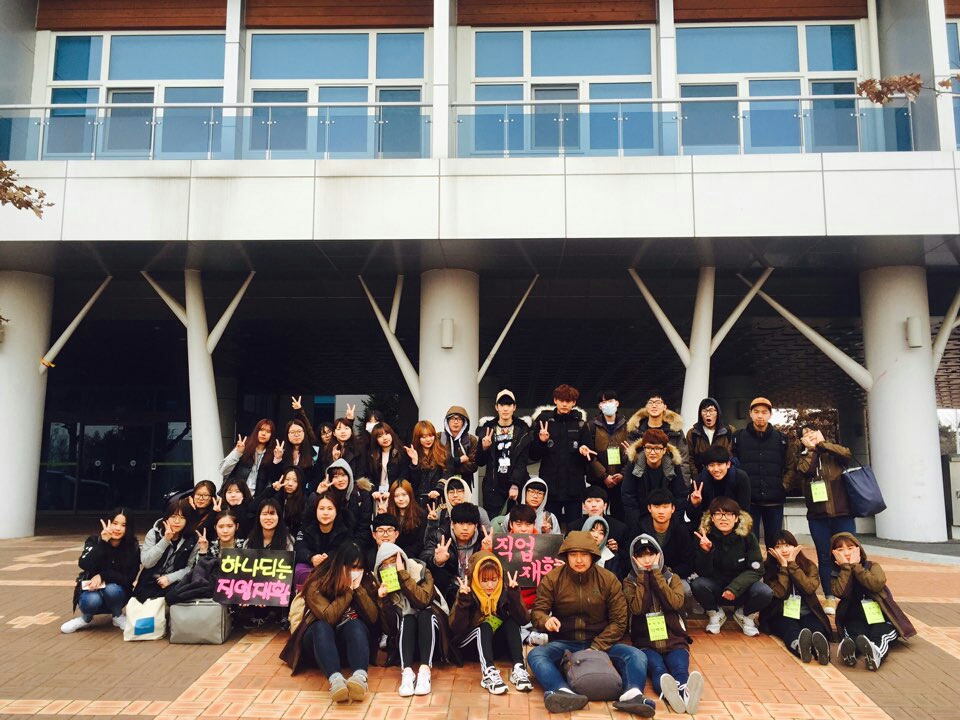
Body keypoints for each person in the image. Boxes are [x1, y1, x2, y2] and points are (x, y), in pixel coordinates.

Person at [528, 531, 653, 716]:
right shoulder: (553, 578)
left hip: (602, 643)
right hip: (565, 643)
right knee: (536, 655)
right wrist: (546, 620)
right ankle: (561, 691)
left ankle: (633, 694)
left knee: (636, 655)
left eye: (584, 554)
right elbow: (538, 612)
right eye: (573, 554)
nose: (579, 560)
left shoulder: (608, 579)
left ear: (593, 556)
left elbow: (619, 621)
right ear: (566, 556)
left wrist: (596, 647)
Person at [281, 542, 378, 703]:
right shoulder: (317, 581)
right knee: (321, 626)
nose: (355, 572)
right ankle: (336, 681)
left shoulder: (365, 580)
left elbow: (373, 618)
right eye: (351, 567)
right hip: (318, 646)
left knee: (355, 625)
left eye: (359, 568)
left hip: (348, 647)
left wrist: (359, 590)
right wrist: (348, 591)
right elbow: (329, 617)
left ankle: (360, 678)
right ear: (340, 565)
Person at [623, 535, 704, 715]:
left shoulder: (672, 578)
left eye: (651, 554)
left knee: (680, 669)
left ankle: (685, 694)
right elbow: (637, 608)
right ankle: (673, 695)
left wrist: (656, 575)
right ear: (634, 558)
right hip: (646, 643)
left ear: (659, 555)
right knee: (659, 670)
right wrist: (643, 576)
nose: (647, 560)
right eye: (641, 556)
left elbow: (674, 603)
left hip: (674, 640)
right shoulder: (629, 581)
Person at [448, 551, 532, 694]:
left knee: (511, 621)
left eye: (494, 579)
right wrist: (463, 601)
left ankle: (519, 668)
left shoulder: (503, 591)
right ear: (476, 578)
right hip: (470, 646)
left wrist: (514, 595)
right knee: (485, 626)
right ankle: (488, 673)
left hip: (493, 646)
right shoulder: (467, 592)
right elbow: (456, 628)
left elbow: (524, 620)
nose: (490, 585)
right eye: (485, 580)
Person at [374, 542, 451, 697]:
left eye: (394, 561)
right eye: (385, 564)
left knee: (424, 614)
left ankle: (425, 671)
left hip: (433, 634)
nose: (390, 567)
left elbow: (422, 601)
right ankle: (407, 673)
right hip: (407, 641)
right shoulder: (382, 584)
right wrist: (384, 600)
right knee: (408, 618)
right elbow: (390, 629)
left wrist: (403, 575)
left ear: (402, 559)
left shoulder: (420, 570)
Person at [831, 532, 915, 670]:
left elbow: (875, 584)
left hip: (880, 616)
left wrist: (856, 566)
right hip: (853, 618)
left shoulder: (872, 566)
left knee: (880, 635)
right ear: (834, 553)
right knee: (855, 636)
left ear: (858, 549)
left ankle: (875, 655)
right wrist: (846, 568)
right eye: (840, 549)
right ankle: (849, 654)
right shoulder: (836, 573)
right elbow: (840, 592)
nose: (846, 553)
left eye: (850, 548)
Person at [794, 424, 854, 614]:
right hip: (818, 517)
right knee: (824, 556)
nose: (809, 434)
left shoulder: (833, 451)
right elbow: (806, 471)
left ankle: (852, 595)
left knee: (850, 554)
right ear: (801, 440)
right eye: (805, 434)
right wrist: (812, 450)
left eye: (812, 431)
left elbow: (847, 454)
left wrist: (823, 444)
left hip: (842, 513)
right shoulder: (803, 457)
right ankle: (829, 596)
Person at [691, 498, 772, 636]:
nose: (723, 518)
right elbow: (702, 571)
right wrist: (706, 552)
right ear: (712, 518)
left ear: (736, 518)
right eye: (718, 514)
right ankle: (715, 613)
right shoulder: (704, 537)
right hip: (717, 587)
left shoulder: (748, 537)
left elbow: (757, 569)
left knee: (765, 592)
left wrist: (735, 587)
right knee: (698, 584)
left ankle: (744, 614)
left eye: (728, 514)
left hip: (741, 589)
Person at [61, 509, 140, 634]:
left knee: (112, 589)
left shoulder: (132, 547)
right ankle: (85, 619)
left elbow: (129, 579)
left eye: (123, 525)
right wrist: (103, 543)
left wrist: (103, 576)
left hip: (117, 593)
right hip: (91, 590)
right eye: (114, 523)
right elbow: (84, 564)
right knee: (92, 600)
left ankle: (117, 615)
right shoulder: (94, 540)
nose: (118, 528)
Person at [761, 530, 832, 664]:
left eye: (787, 545)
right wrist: (784, 567)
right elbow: (780, 593)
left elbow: (809, 588)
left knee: (815, 628)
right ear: (772, 550)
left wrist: (792, 565)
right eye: (778, 546)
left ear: (795, 546)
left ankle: (822, 650)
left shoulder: (809, 565)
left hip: (807, 611)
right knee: (790, 629)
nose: (784, 550)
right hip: (781, 612)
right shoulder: (769, 568)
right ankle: (800, 647)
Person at [529, 384, 594, 530]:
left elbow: (590, 456)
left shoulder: (580, 424)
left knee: (574, 530)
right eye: (561, 400)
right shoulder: (544, 423)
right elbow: (533, 455)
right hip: (551, 488)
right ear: (555, 400)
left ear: (574, 403)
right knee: (549, 529)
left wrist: (584, 452)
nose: (564, 404)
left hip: (574, 489)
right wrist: (541, 441)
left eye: (568, 401)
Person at [732, 397, 795, 548]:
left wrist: (783, 486)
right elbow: (731, 464)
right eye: (756, 412)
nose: (760, 415)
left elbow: (791, 466)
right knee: (749, 542)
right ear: (750, 413)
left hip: (774, 500)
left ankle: (773, 564)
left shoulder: (782, 439)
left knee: (774, 543)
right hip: (748, 500)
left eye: (764, 412)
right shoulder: (738, 438)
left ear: (770, 414)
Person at [475, 389, 532, 517]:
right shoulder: (487, 429)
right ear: (496, 407)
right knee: (494, 523)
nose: (505, 408)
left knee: (518, 522)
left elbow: (522, 461)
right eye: (502, 405)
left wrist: (515, 484)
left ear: (514, 407)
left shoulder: (523, 429)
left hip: (516, 485)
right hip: (493, 487)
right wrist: (484, 447)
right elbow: (479, 461)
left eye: (509, 405)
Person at [621, 428, 687, 533]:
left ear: (664, 450)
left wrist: (673, 521)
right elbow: (628, 494)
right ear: (643, 448)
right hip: (640, 516)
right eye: (648, 448)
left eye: (657, 448)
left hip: (666, 517)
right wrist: (636, 522)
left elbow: (680, 495)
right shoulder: (635, 464)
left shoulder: (672, 465)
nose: (652, 452)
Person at [135, 497, 198, 602]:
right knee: (143, 602)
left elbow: (190, 568)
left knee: (175, 597)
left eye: (182, 518)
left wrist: (170, 578)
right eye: (173, 516)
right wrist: (165, 540)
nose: (177, 521)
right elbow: (147, 563)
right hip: (150, 580)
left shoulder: (193, 539)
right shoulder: (154, 533)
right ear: (166, 518)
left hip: (175, 582)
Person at [424, 502, 489, 605]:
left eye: (470, 524)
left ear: (476, 526)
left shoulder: (484, 540)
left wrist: (488, 551)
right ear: (452, 524)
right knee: (440, 575)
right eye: (460, 523)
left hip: (476, 587)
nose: (465, 528)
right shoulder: (439, 536)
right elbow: (423, 558)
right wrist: (437, 561)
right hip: (448, 588)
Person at [637, 488, 696, 602]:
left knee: (685, 590)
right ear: (649, 508)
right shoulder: (639, 528)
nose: (661, 511)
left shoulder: (681, 530)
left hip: (672, 575)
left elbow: (688, 563)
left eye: (665, 507)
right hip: (644, 575)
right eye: (656, 507)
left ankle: (676, 611)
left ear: (673, 509)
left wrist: (667, 573)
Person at [627, 393, 691, 485]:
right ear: (646, 407)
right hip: (641, 482)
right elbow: (630, 461)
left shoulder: (675, 431)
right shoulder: (636, 430)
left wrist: (684, 486)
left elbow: (683, 460)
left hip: (670, 482)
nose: (654, 406)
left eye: (658, 402)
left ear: (665, 407)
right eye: (650, 402)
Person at [586, 390, 631, 520]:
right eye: (604, 402)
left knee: (620, 517)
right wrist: (604, 476)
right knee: (597, 516)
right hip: (598, 481)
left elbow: (633, 453)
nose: (607, 404)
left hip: (621, 481)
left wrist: (622, 474)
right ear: (600, 406)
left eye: (610, 401)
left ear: (617, 403)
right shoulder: (591, 426)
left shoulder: (628, 426)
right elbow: (589, 454)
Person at [294, 493, 354, 589]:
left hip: (334, 567)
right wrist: (311, 557)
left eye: (330, 509)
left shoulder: (345, 529)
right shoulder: (306, 526)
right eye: (321, 509)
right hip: (311, 565)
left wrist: (329, 558)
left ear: (337, 511)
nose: (325, 513)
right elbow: (299, 547)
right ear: (315, 511)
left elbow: (346, 550)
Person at [684, 446, 751, 530]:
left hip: (733, 525)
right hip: (708, 527)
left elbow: (744, 511)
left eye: (719, 464)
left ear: (728, 464)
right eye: (711, 465)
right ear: (707, 467)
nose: (716, 469)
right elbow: (691, 516)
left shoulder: (740, 478)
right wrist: (695, 505)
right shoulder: (699, 481)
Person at [317, 458, 374, 548]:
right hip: (333, 545)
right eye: (335, 476)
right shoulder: (328, 496)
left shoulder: (362, 495)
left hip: (357, 544)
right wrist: (318, 493)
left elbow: (364, 525)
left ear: (349, 476)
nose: (340, 480)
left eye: (343, 475)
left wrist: (355, 547)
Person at [218, 419, 280, 495]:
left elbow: (273, 480)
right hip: (237, 495)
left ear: (272, 435)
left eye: (268, 431)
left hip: (257, 498)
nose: (264, 434)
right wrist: (238, 453)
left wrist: (277, 459)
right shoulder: (244, 446)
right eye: (261, 430)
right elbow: (223, 470)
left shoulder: (273, 453)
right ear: (256, 431)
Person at [685, 398, 735, 479]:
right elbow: (689, 459)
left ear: (718, 413)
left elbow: (733, 456)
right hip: (701, 478)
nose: (708, 414)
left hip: (724, 478)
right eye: (704, 411)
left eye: (711, 411)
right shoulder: (693, 433)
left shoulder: (729, 431)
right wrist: (696, 477)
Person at [401, 420, 448, 505]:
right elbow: (412, 482)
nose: (428, 440)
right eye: (424, 437)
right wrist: (414, 462)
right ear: (417, 438)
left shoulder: (443, 453)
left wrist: (438, 490)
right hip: (418, 501)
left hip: (439, 499)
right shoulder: (410, 454)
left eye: (431, 435)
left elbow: (448, 474)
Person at [491, 477, 560, 535]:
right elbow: (503, 539)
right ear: (525, 493)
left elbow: (558, 543)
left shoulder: (550, 517)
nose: (535, 496)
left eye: (540, 493)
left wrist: (548, 532)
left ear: (544, 497)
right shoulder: (512, 515)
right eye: (531, 492)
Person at [258, 467, 307, 539]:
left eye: (295, 481)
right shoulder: (275, 496)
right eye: (287, 479)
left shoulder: (303, 501)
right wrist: (272, 490)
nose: (290, 484)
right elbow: (252, 507)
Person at [440, 406, 479, 490]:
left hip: (464, 483)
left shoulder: (471, 440)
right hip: (442, 483)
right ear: (447, 421)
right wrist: (460, 460)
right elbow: (439, 462)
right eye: (452, 419)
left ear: (464, 422)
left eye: (459, 419)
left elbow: (473, 466)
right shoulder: (440, 437)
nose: (456, 422)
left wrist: (449, 465)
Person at [385, 479, 426, 558]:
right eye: (396, 496)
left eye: (404, 495)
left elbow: (419, 543)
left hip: (412, 557)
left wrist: (401, 556)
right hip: (390, 556)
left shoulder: (421, 514)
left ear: (410, 495)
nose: (401, 499)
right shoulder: (388, 513)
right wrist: (382, 516)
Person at [368, 422, 409, 501]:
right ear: (375, 439)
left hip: (396, 495)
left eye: (387, 434)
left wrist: (392, 491)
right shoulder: (372, 455)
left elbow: (404, 475)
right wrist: (373, 491)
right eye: (380, 436)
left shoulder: (401, 453)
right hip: (377, 495)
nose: (385, 438)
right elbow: (368, 476)